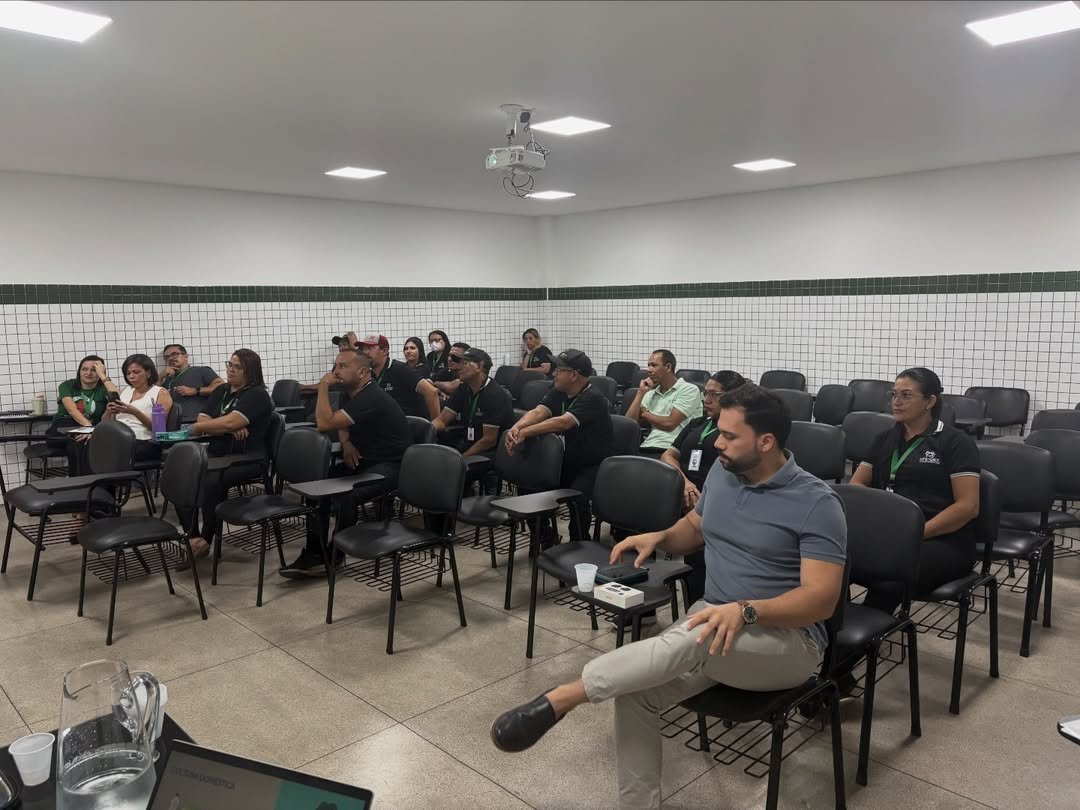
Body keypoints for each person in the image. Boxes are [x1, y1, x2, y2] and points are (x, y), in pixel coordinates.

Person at [490, 384, 847, 810]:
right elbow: (695, 529)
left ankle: (564, 697)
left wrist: (746, 611)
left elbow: (820, 601)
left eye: (729, 436)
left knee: (693, 638)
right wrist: (659, 537)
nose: (717, 443)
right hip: (714, 623)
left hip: (787, 642)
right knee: (636, 691)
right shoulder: (725, 473)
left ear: (766, 442)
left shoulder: (816, 503)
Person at [850, 367, 980, 614]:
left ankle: (865, 635)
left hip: (942, 540)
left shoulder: (955, 442)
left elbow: (968, 506)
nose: (896, 402)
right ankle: (828, 630)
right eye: (894, 394)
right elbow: (856, 486)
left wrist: (914, 534)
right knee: (833, 561)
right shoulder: (884, 439)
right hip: (890, 535)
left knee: (890, 576)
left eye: (906, 395)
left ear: (929, 401)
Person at [280, 348, 413, 578]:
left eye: (342, 366)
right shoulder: (349, 392)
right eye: (335, 366)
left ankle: (335, 556)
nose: (335, 371)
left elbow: (324, 423)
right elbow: (342, 424)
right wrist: (347, 443)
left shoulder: (371, 396)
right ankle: (315, 553)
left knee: (347, 496)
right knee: (318, 487)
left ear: (362, 372)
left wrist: (323, 385)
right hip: (364, 460)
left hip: (392, 465)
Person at [178, 348, 275, 568]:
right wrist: (227, 426)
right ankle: (192, 537)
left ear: (250, 371)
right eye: (229, 365)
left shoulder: (257, 394)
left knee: (210, 479)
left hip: (247, 457)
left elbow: (219, 423)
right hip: (218, 452)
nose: (231, 370)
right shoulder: (221, 390)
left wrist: (223, 424)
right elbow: (205, 419)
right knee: (184, 474)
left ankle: (206, 539)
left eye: (237, 367)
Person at [504, 349, 613, 541]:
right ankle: (545, 537)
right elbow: (539, 411)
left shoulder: (593, 398)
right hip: (563, 460)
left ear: (574, 375)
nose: (554, 373)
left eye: (559, 370)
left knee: (577, 498)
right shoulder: (559, 390)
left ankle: (580, 542)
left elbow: (563, 422)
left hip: (590, 465)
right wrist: (517, 427)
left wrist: (525, 433)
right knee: (528, 486)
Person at [661, 370, 747, 603]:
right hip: (683, 491)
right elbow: (668, 455)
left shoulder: (736, 432)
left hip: (713, 498)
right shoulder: (697, 423)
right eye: (705, 394)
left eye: (714, 395)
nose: (706, 400)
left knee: (699, 553)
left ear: (733, 396)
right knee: (642, 529)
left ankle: (703, 603)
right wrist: (684, 482)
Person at [432, 347, 514, 456]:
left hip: (487, 452)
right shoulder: (463, 388)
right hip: (467, 442)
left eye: (464, 363)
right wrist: (426, 430)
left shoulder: (494, 395)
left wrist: (461, 459)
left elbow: (489, 440)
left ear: (479, 366)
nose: (459, 367)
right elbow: (442, 421)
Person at [624, 350, 703, 457]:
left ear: (668, 367)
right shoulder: (650, 393)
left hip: (673, 450)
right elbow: (629, 424)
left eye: (654, 365)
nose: (649, 370)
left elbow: (669, 424)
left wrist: (644, 413)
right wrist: (640, 393)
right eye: (648, 365)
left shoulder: (689, 390)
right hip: (647, 447)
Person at [102, 353, 174, 462]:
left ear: (148, 373)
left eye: (136, 372)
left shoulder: (160, 393)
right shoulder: (126, 391)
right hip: (119, 437)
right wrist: (109, 411)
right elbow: (105, 423)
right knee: (89, 445)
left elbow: (158, 429)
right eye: (128, 373)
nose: (131, 376)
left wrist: (134, 412)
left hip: (144, 441)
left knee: (111, 451)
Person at [46, 355, 111, 475]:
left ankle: (83, 482)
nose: (88, 373)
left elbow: (118, 399)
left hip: (89, 431)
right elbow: (72, 410)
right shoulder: (67, 385)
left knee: (77, 445)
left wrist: (104, 377)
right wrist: (89, 428)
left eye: (94, 370)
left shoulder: (103, 388)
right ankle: (85, 482)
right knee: (81, 442)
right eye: (84, 369)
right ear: (79, 371)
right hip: (64, 426)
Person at [356, 334, 441, 419]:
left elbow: (431, 392)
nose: (365, 352)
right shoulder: (368, 375)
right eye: (363, 349)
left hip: (408, 424)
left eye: (370, 348)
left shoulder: (401, 369)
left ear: (385, 351)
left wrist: (436, 424)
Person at [160, 344, 223, 421]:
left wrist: (195, 390)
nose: (170, 358)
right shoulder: (167, 378)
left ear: (186, 356)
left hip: (195, 421)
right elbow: (153, 396)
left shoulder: (201, 371)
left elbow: (221, 386)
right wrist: (160, 377)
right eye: (167, 357)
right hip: (171, 423)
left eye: (174, 354)